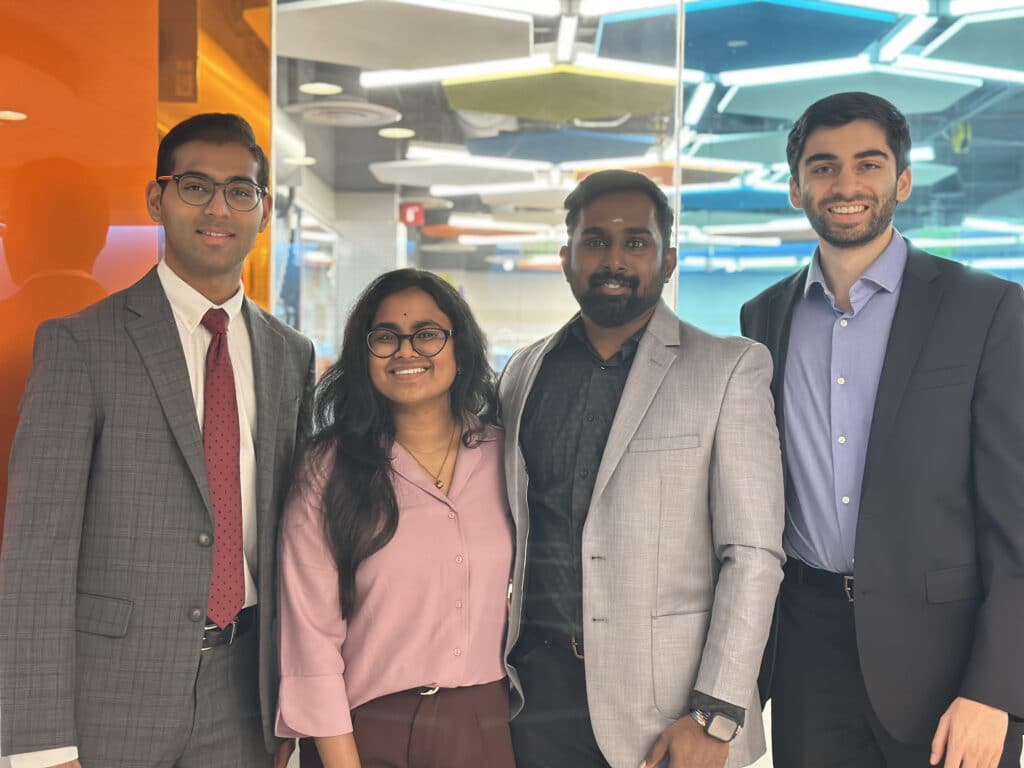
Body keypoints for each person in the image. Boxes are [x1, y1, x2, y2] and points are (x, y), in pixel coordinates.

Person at [0, 113, 315, 768]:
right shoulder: (82, 343)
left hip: (247, 698)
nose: (219, 208)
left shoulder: (292, 356)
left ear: (261, 209)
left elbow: (295, 538)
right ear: (157, 199)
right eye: (196, 186)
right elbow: (36, 552)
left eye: (240, 190)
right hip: (110, 697)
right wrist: (39, 744)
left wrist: (296, 698)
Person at [740, 91, 1024, 768]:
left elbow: (1018, 525)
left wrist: (998, 689)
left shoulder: (985, 309)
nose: (845, 185)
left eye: (868, 165)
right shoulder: (764, 319)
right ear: (794, 187)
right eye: (823, 166)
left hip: (947, 665)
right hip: (809, 654)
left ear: (901, 180)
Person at [499, 169, 785, 768]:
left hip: (670, 719)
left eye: (637, 242)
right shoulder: (522, 375)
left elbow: (753, 554)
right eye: (595, 240)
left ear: (670, 257)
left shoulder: (728, 368)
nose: (615, 258)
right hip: (534, 698)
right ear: (566, 256)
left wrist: (715, 713)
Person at [276, 268, 515, 768]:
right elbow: (311, 638)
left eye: (427, 334)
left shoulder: (506, 457)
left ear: (460, 347)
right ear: (365, 356)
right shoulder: (328, 468)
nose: (407, 351)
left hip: (483, 724)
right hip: (365, 731)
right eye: (385, 337)